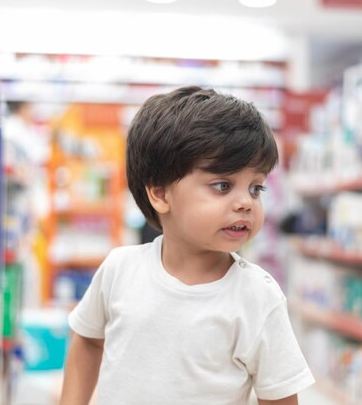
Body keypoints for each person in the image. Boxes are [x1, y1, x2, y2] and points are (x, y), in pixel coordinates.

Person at [60, 86, 314, 405]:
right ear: (160, 194)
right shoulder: (119, 270)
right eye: (222, 186)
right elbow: (88, 340)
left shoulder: (258, 296)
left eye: (255, 188)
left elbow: (278, 396)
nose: (246, 203)